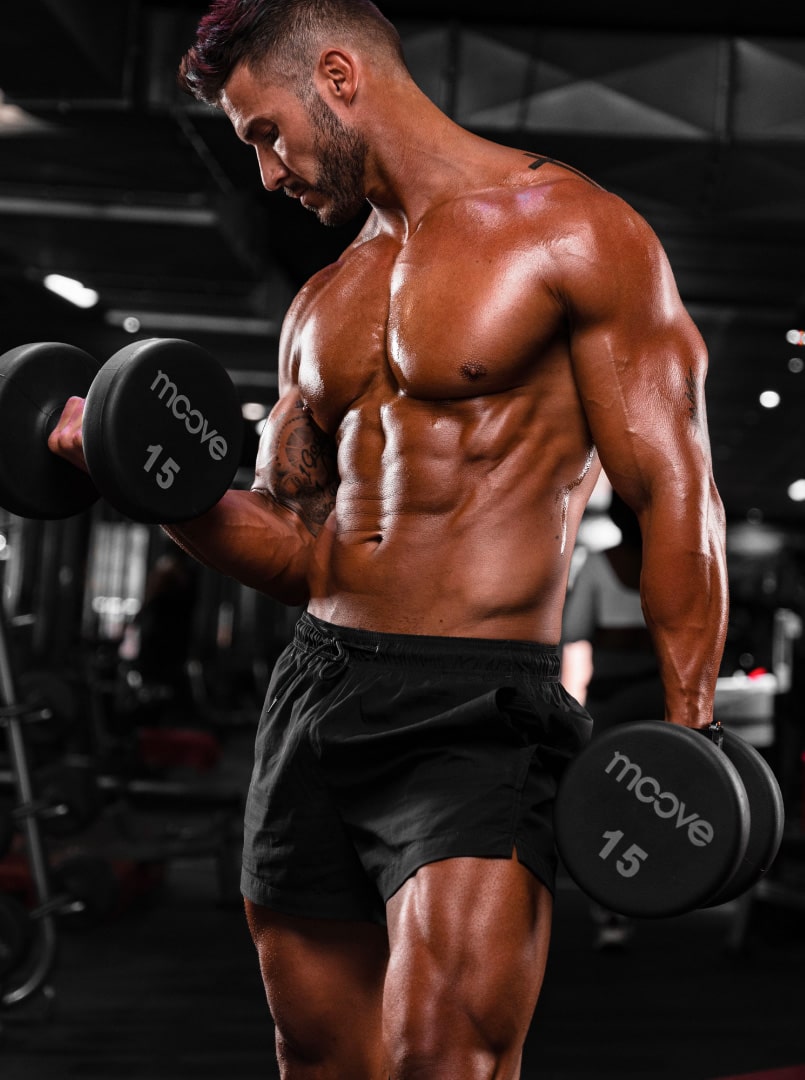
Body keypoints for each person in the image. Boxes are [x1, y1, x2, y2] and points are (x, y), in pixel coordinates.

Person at [47, 0, 729, 1075]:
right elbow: (298, 552)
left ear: (338, 74)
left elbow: (675, 493)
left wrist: (688, 738)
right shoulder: (322, 301)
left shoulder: (574, 233)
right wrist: (145, 478)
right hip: (318, 687)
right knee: (315, 1052)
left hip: (478, 707)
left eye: (267, 131)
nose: (267, 174)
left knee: (442, 1059)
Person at [561, 490, 665, 950]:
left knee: (608, 800)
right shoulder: (669, 563)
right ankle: (652, 893)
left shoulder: (601, 565)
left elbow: (573, 631)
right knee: (655, 800)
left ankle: (610, 907)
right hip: (657, 694)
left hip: (612, 698)